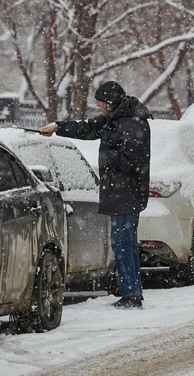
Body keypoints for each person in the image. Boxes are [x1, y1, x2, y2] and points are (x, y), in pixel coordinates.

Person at [39, 81, 151, 309]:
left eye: (101, 104)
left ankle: (132, 295)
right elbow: (88, 128)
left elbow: (133, 161)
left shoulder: (130, 123)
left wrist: (107, 158)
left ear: (111, 103)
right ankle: (132, 292)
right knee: (123, 244)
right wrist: (58, 127)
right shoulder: (115, 118)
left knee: (123, 245)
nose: (99, 108)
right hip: (120, 193)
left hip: (126, 194)